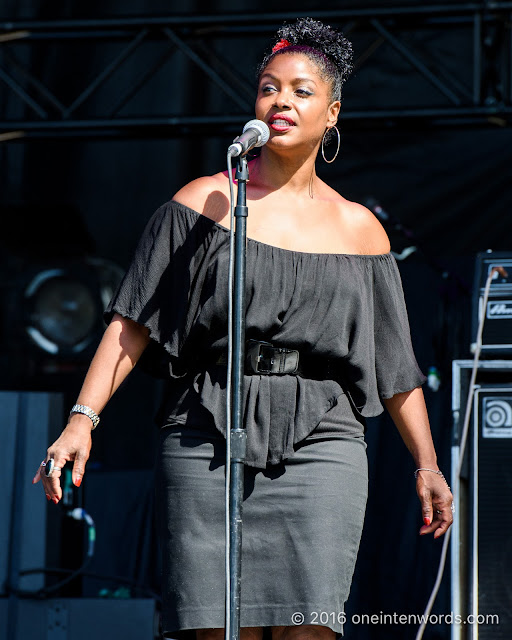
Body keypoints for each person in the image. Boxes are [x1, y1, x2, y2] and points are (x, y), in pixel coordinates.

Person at [33, 16, 454, 640]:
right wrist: (81, 419)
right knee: (210, 625)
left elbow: (393, 362)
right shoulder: (205, 201)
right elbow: (132, 322)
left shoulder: (359, 229)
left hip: (322, 441)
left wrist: (427, 464)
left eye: (301, 91)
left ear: (332, 113)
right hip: (206, 432)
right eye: (268, 87)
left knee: (309, 626)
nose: (281, 100)